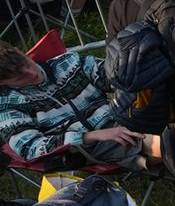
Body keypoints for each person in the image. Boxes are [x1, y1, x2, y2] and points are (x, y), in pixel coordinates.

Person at [0, 42, 147, 165]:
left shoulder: (68, 63)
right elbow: (32, 149)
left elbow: (112, 75)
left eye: (26, 63)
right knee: (154, 140)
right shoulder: (7, 108)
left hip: (119, 118)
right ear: (3, 83)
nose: (32, 73)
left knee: (154, 104)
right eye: (20, 77)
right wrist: (91, 136)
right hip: (82, 148)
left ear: (20, 52)